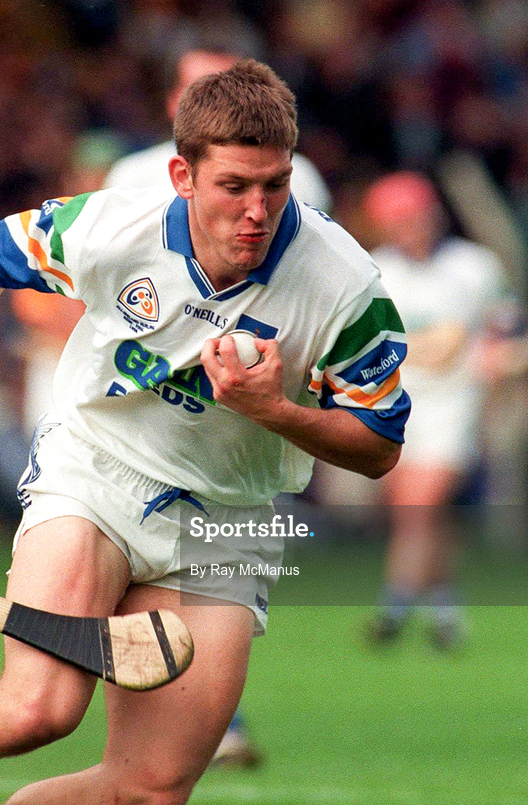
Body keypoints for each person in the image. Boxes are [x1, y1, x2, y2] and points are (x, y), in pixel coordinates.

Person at [0, 60, 408, 805]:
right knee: (34, 708)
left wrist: (275, 410)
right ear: (182, 175)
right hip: (96, 475)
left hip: (224, 525)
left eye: (274, 184)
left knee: (149, 789)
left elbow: (379, 445)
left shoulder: (344, 286)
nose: (256, 211)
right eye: (233, 186)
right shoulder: (115, 226)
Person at [104, 44, 334, 770]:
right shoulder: (132, 176)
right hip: (134, 409)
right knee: (44, 700)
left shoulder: (303, 185)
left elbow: (307, 281)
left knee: (205, 571)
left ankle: (201, 715)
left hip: (236, 418)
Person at [363, 171, 528, 649]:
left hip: (453, 405)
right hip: (394, 404)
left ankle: (392, 610)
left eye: (418, 215)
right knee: (418, 514)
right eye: (400, 220)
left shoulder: (474, 266)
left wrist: (509, 353)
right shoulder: (375, 271)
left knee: (418, 505)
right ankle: (447, 617)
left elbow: (507, 333)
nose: (413, 227)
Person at [105, 47, 332, 213]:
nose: (222, 103)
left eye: (234, 90)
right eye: (204, 92)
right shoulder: (130, 178)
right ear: (173, 101)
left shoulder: (299, 175)